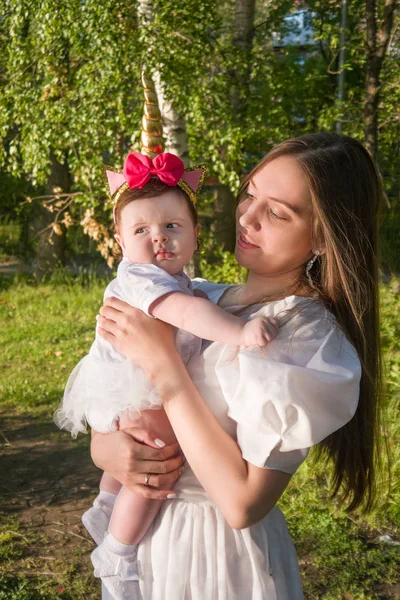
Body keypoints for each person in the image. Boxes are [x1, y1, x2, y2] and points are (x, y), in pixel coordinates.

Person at [92, 132, 384, 600]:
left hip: (212, 556)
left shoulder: (301, 334)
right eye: (250, 194)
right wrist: (106, 448)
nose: (247, 217)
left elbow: (242, 504)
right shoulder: (202, 297)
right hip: (147, 541)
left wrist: (163, 364)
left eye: (277, 212)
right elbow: (118, 388)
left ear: (325, 238)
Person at [54, 150, 279, 599]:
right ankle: (117, 550)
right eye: (141, 231)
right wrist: (241, 331)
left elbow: (198, 300)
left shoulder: (188, 284)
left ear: (196, 236)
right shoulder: (143, 280)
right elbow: (184, 312)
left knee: (136, 464)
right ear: (120, 242)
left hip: (135, 387)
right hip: (136, 388)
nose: (159, 239)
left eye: (172, 227)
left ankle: (106, 506)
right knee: (157, 464)